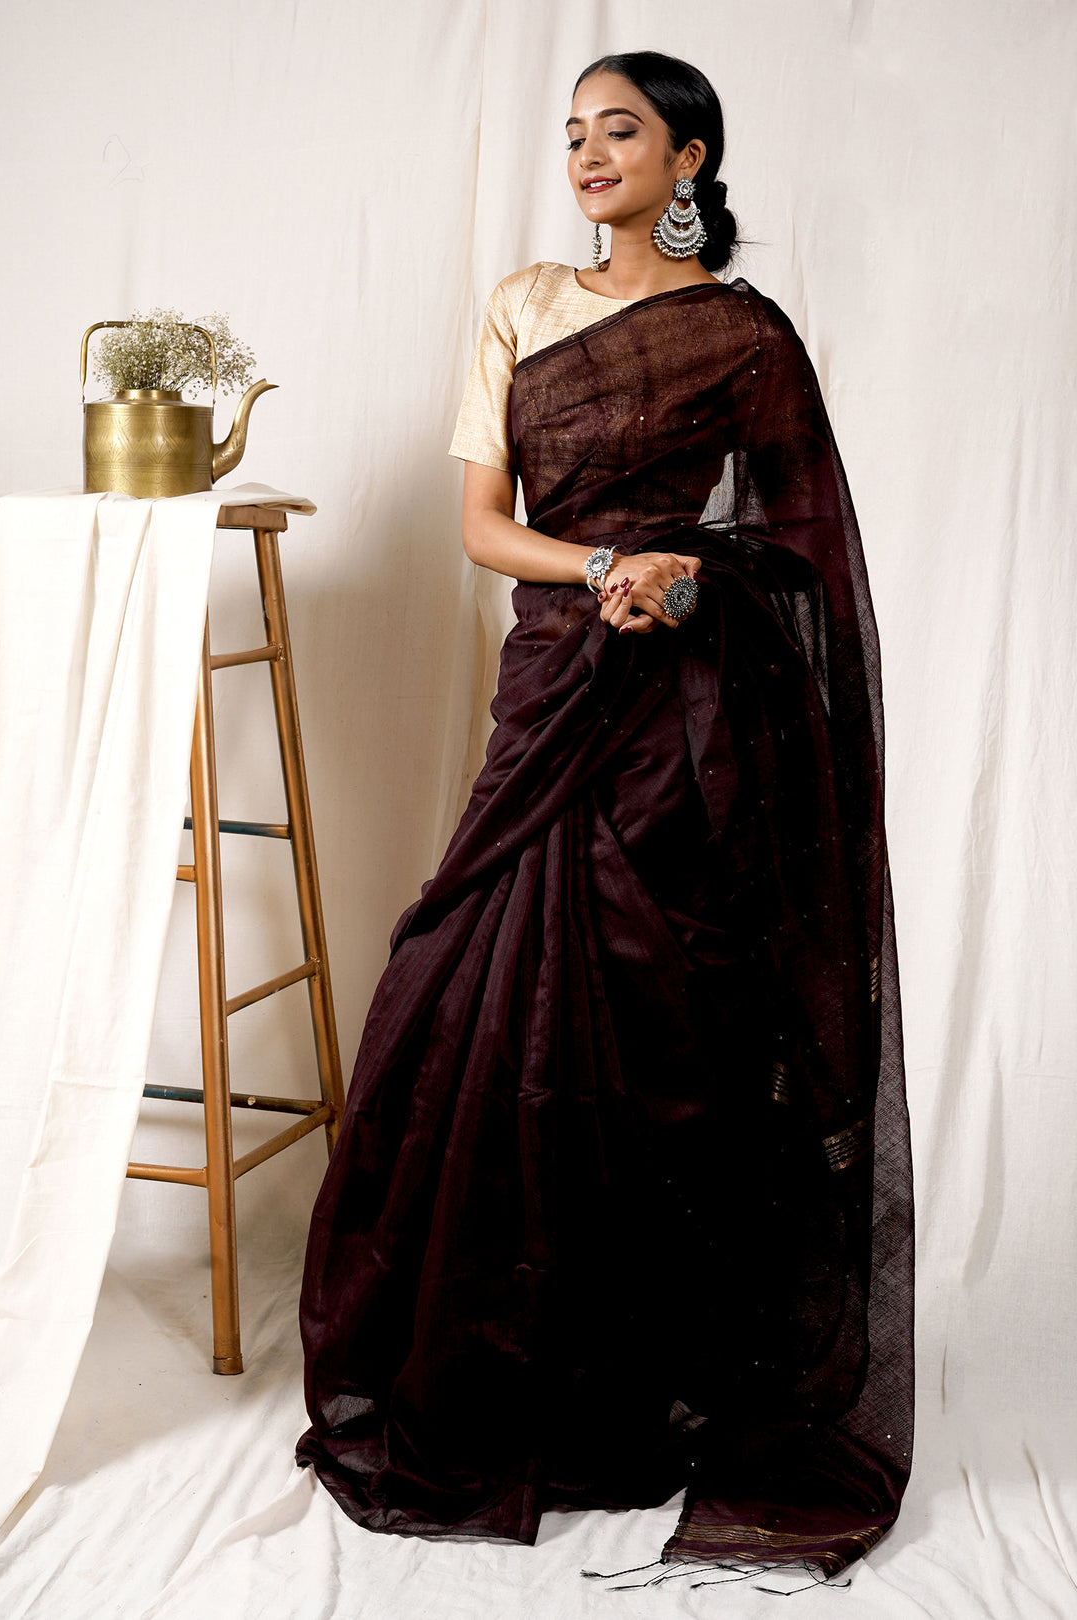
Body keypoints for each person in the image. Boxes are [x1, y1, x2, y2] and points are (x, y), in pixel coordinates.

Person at [297, 49, 914, 1584]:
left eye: (619, 130)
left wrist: (695, 578)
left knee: (663, 1025)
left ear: (688, 158)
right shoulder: (521, 305)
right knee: (464, 988)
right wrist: (603, 569)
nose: (586, 154)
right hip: (555, 690)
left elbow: (803, 549)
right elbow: (481, 526)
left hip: (683, 729)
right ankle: (505, 1362)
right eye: (573, 133)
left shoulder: (744, 336)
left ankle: (646, 1382)